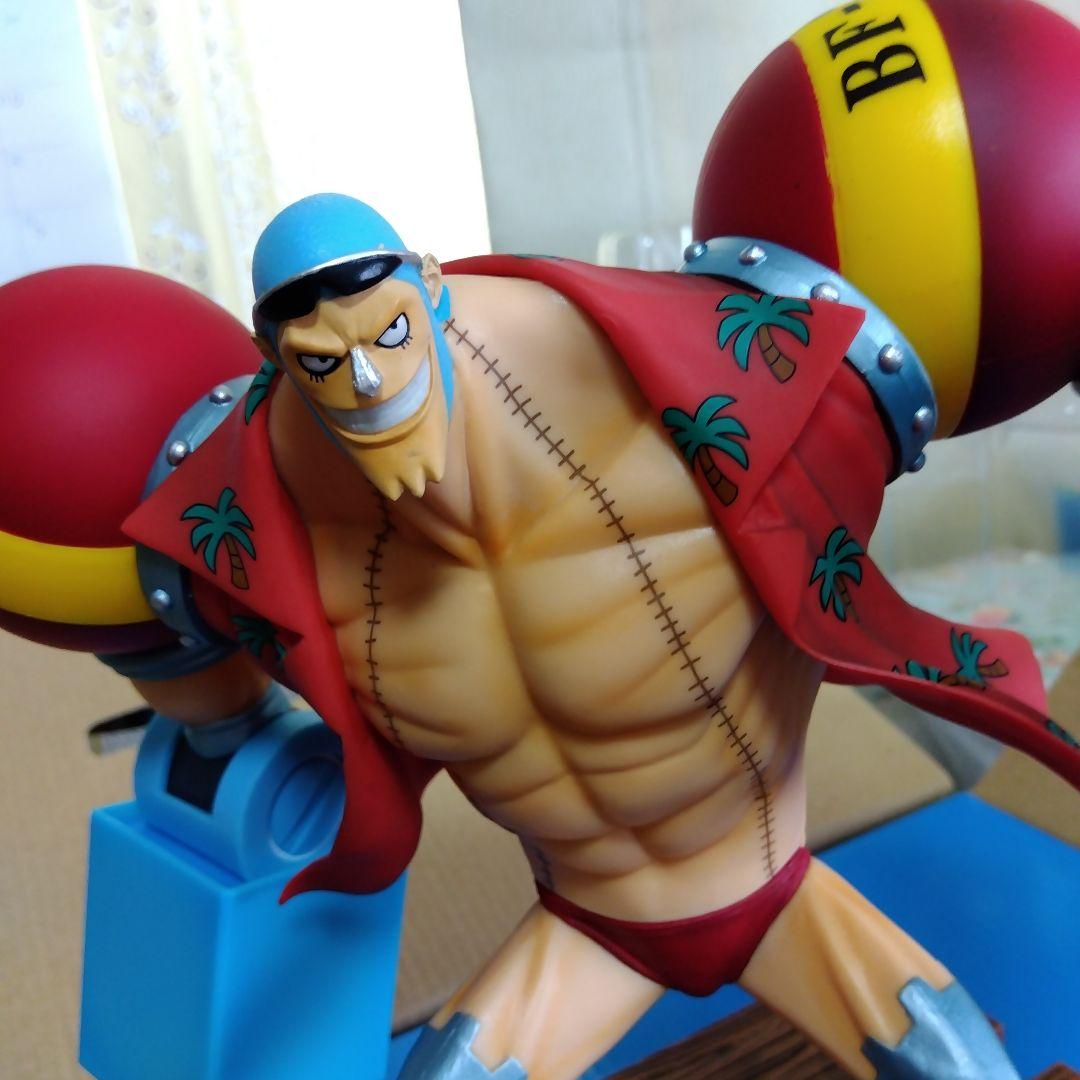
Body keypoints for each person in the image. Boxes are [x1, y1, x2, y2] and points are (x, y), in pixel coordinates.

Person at [121, 190, 1076, 1079]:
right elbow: (156, 619)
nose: (368, 381)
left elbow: (892, 361)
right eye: (325, 364)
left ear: (431, 285)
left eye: (390, 334)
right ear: (274, 355)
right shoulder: (258, 517)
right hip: (587, 925)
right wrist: (211, 718)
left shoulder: (663, 402)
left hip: (774, 885)